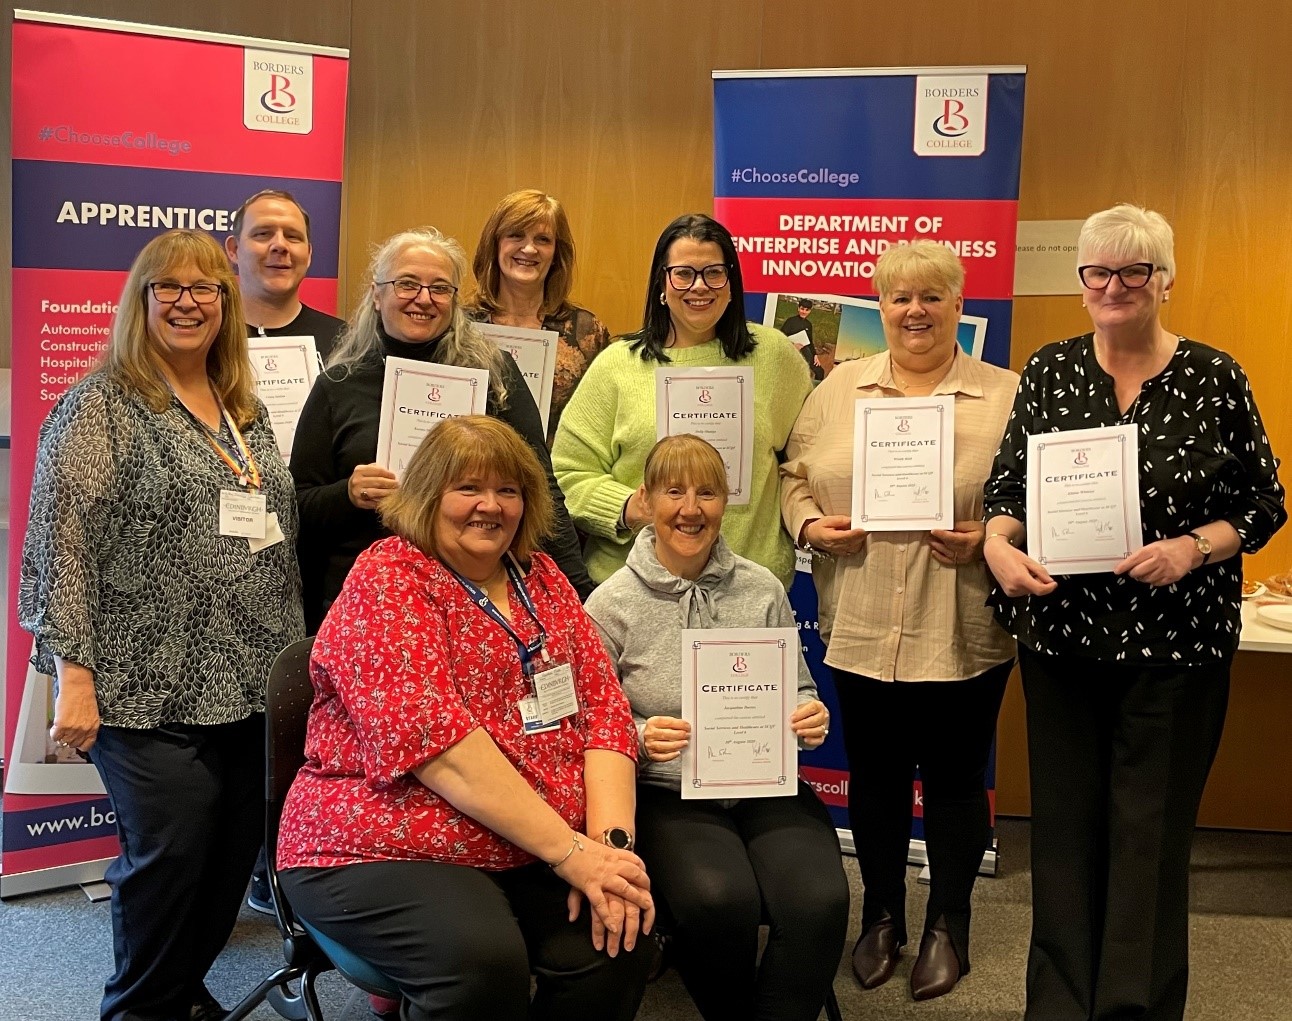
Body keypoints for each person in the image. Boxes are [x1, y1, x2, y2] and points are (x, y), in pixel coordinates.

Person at [982, 204, 1286, 1021]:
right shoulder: (1049, 372)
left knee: (1148, 845)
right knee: (1065, 837)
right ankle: (1057, 1005)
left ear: (1165, 280)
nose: (1115, 286)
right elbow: (1006, 490)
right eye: (1099, 273)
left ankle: (1134, 1011)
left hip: (1177, 650)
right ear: (1081, 284)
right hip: (1063, 646)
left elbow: (1264, 503)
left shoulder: (1216, 377)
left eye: (1135, 271)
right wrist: (998, 545)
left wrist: (1194, 546)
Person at [277, 415, 654, 1020]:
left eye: (508, 490)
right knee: (480, 965)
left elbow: (605, 715)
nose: (491, 506)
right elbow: (439, 745)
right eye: (468, 488)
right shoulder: (387, 580)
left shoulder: (545, 580)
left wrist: (612, 856)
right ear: (428, 495)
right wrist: (571, 855)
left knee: (617, 947)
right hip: (383, 838)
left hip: (528, 838)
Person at [20, 228, 305, 1021]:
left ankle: (180, 991)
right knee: (172, 848)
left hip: (248, 674)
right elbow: (61, 539)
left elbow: (272, 530)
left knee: (228, 854)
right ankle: (139, 1006)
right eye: (168, 287)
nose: (188, 302)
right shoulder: (100, 404)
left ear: (226, 305)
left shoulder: (243, 408)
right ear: (139, 301)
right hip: (143, 683)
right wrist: (72, 676)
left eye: (206, 288)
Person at [781, 240, 1020, 1001]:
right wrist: (811, 528)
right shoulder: (838, 389)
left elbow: (1033, 501)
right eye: (897, 296)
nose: (914, 310)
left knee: (953, 781)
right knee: (876, 779)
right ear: (879, 305)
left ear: (959, 302)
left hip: (961, 622)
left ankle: (950, 921)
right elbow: (794, 476)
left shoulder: (1008, 395)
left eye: (931, 295)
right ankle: (880, 913)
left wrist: (989, 536)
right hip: (859, 619)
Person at [585, 434, 849, 1021]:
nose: (691, 508)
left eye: (707, 491)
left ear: (725, 502)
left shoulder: (762, 589)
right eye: (673, 491)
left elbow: (799, 688)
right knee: (718, 900)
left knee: (820, 901)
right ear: (647, 501)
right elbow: (588, 725)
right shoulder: (609, 604)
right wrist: (638, 736)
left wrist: (810, 715)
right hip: (667, 791)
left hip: (762, 784)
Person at [289, 226, 593, 632]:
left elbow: (541, 487)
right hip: (366, 605)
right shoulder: (339, 385)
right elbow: (298, 505)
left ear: (454, 301)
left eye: (440, 288)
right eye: (407, 284)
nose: (423, 299)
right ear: (377, 296)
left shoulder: (494, 376)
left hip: (480, 601)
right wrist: (347, 494)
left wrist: (577, 593)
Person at [553, 213, 813, 587]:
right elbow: (568, 473)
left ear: (731, 282)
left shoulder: (774, 356)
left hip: (748, 591)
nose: (699, 287)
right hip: (636, 590)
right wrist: (631, 507)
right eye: (684, 273)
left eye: (713, 273)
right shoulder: (617, 364)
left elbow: (805, 459)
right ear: (663, 282)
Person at [466, 188, 612, 447]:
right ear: (495, 243)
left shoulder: (587, 333)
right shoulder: (460, 327)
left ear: (557, 252)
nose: (529, 248)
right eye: (516, 235)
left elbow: (603, 422)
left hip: (558, 481)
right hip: (473, 475)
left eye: (543, 239)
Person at [225, 189, 346, 360]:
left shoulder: (346, 343)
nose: (280, 245)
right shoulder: (205, 337)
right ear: (234, 250)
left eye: (292, 236)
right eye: (263, 234)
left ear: (309, 254)